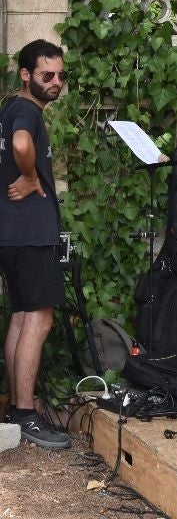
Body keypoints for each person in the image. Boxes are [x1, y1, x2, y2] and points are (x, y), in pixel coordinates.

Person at [0, 39, 71, 449]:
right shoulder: (26, 110)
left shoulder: (10, 108)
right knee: (39, 320)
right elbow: (21, 145)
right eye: (47, 75)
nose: (56, 82)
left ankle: (16, 411)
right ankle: (26, 414)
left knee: (22, 317)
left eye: (61, 75)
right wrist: (29, 177)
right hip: (29, 233)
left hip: (12, 233)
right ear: (26, 75)